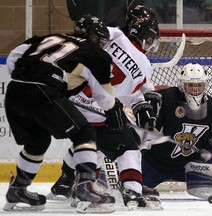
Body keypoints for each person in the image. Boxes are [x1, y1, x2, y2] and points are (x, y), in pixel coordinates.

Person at [3, 16, 128, 213]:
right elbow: (103, 96)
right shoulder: (96, 54)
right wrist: (113, 110)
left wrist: (34, 79)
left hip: (15, 91)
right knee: (84, 133)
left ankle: (18, 189)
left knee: (37, 142)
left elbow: (13, 57)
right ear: (96, 38)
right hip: (43, 91)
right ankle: (86, 185)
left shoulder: (50, 37)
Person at [47, 6, 162, 209]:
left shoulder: (116, 34)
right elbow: (133, 92)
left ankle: (66, 182)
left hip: (72, 98)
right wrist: (145, 104)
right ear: (146, 36)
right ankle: (131, 191)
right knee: (128, 144)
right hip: (100, 107)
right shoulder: (145, 66)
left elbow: (91, 31)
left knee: (92, 142)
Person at [141, 63, 212, 189]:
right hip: (155, 164)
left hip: (191, 167)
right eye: (190, 85)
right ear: (182, 85)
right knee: (131, 187)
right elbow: (143, 126)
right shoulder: (165, 99)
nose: (195, 89)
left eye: (199, 85)